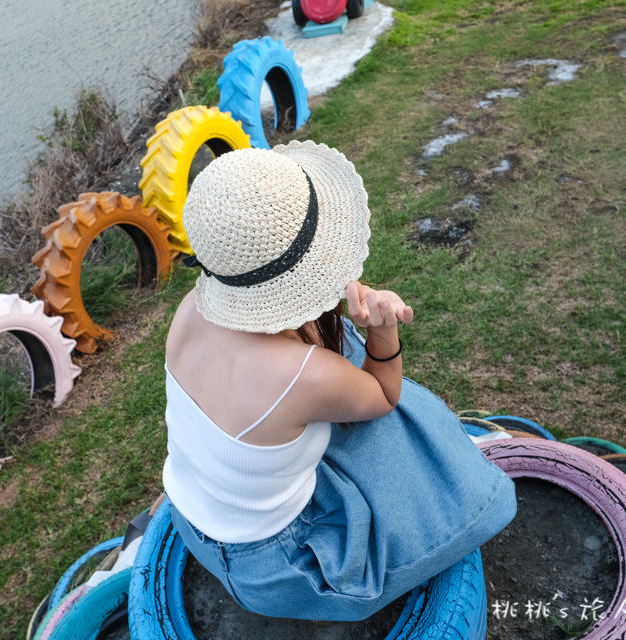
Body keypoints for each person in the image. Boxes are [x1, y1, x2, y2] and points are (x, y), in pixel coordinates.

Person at [162, 140, 516, 622]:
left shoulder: (190, 312)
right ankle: (473, 496)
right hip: (280, 567)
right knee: (423, 435)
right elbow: (385, 395)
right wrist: (383, 329)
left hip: (195, 521)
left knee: (340, 358)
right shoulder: (303, 374)